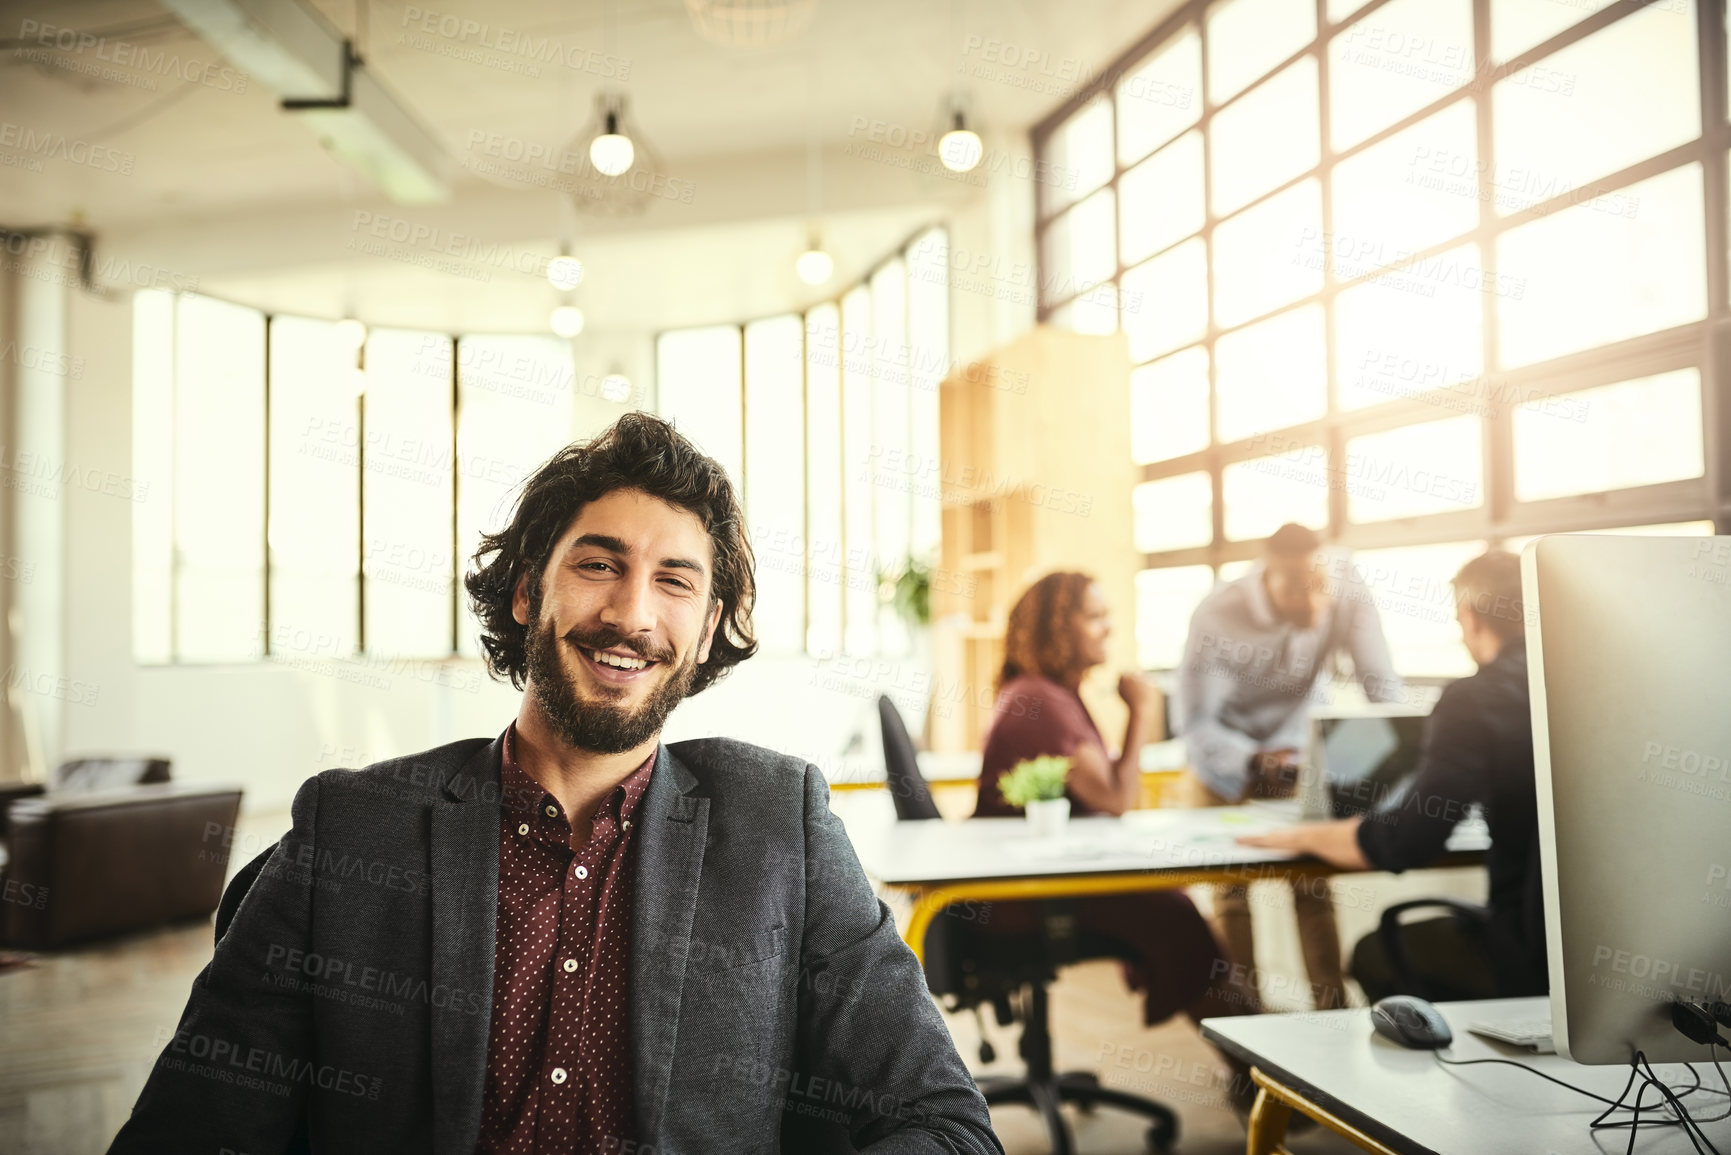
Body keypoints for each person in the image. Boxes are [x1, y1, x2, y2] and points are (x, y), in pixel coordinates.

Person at [108, 413, 1001, 1155]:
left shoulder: (781, 828)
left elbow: (942, 1122)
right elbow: (192, 1127)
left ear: (706, 628)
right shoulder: (352, 828)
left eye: (675, 582)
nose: (631, 613)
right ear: (529, 590)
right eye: (598, 563)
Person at [1239, 549, 1546, 1002]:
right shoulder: (1587, 685)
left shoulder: (1475, 700)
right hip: (1604, 944)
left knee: (1374, 953)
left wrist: (1309, 836)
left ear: (1470, 617)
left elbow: (1409, 840)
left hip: (1529, 953)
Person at [974, 571, 1261, 1033]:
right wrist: (1143, 711)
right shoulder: (1039, 700)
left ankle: (1254, 1052)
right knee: (1176, 916)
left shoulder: (1055, 694)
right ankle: (1255, 1064)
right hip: (1026, 897)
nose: (1109, 627)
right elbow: (1115, 798)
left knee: (1175, 906)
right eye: (1095, 617)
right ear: (1057, 627)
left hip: (1047, 879)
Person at [1178, 523, 1405, 1011]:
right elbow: (1195, 723)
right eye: (1296, 589)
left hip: (1295, 754)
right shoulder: (1218, 614)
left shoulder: (1346, 587)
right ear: (1266, 576)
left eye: (1319, 585)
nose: (1313, 603)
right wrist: (1253, 761)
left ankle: (1333, 1018)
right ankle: (1246, 1033)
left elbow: (1380, 684)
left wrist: (1410, 754)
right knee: (1233, 896)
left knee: (1312, 882)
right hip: (1226, 763)